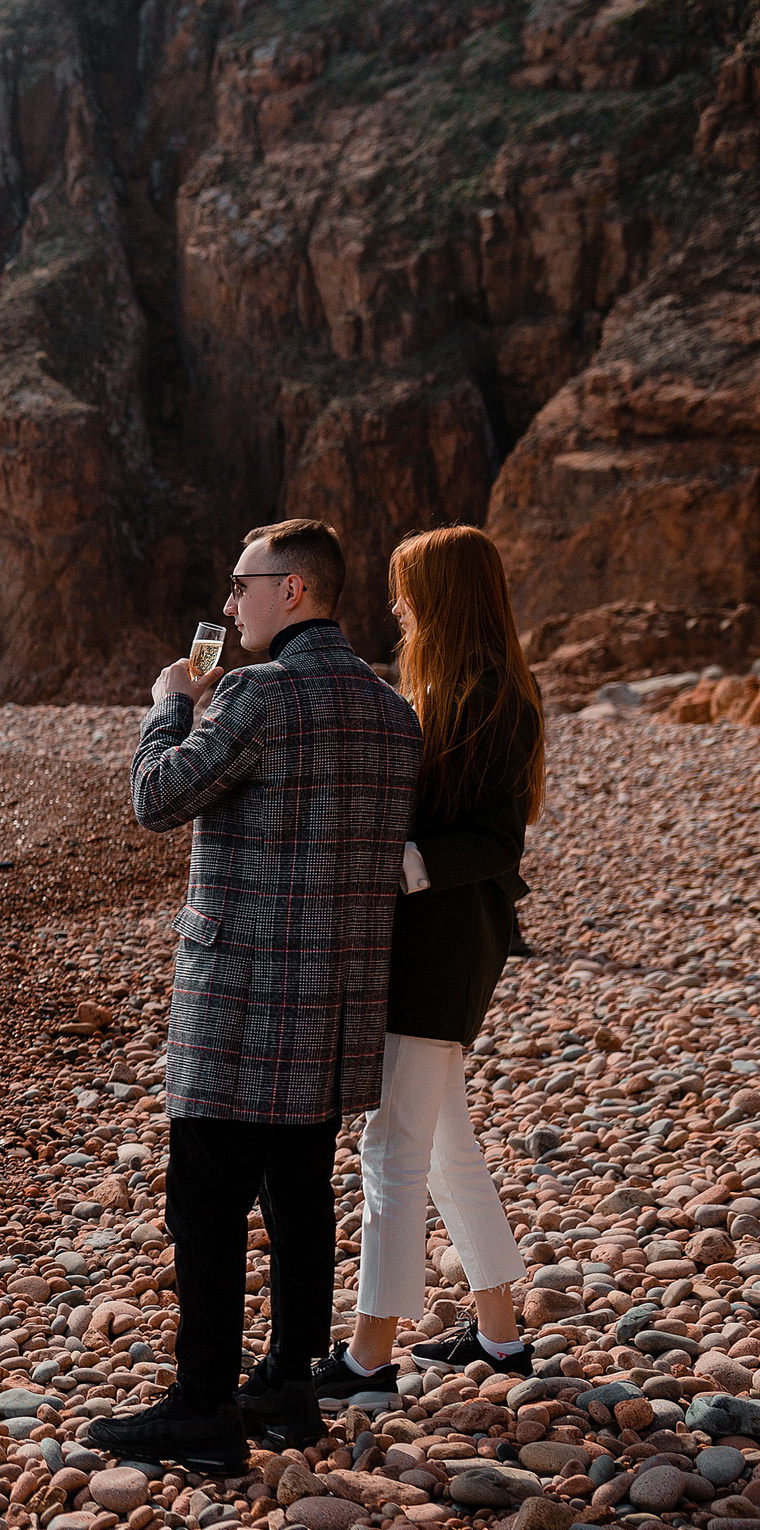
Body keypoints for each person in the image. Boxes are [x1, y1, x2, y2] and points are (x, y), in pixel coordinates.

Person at [82, 519, 422, 1467]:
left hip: (241, 999)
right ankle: (286, 1386)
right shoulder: (393, 712)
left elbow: (157, 798)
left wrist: (170, 705)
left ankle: (202, 1406)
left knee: (205, 1203)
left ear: (293, 590)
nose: (230, 605)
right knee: (300, 1196)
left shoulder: (256, 694)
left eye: (243, 585)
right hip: (335, 1002)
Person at [313, 526, 546, 1407]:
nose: (396, 605)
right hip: (432, 943)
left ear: (445, 594)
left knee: (392, 1147)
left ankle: (369, 1359)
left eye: (407, 588)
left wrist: (400, 863)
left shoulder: (492, 696)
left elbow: (497, 841)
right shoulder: (454, 689)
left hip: (445, 949)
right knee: (447, 1148)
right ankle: (499, 1335)